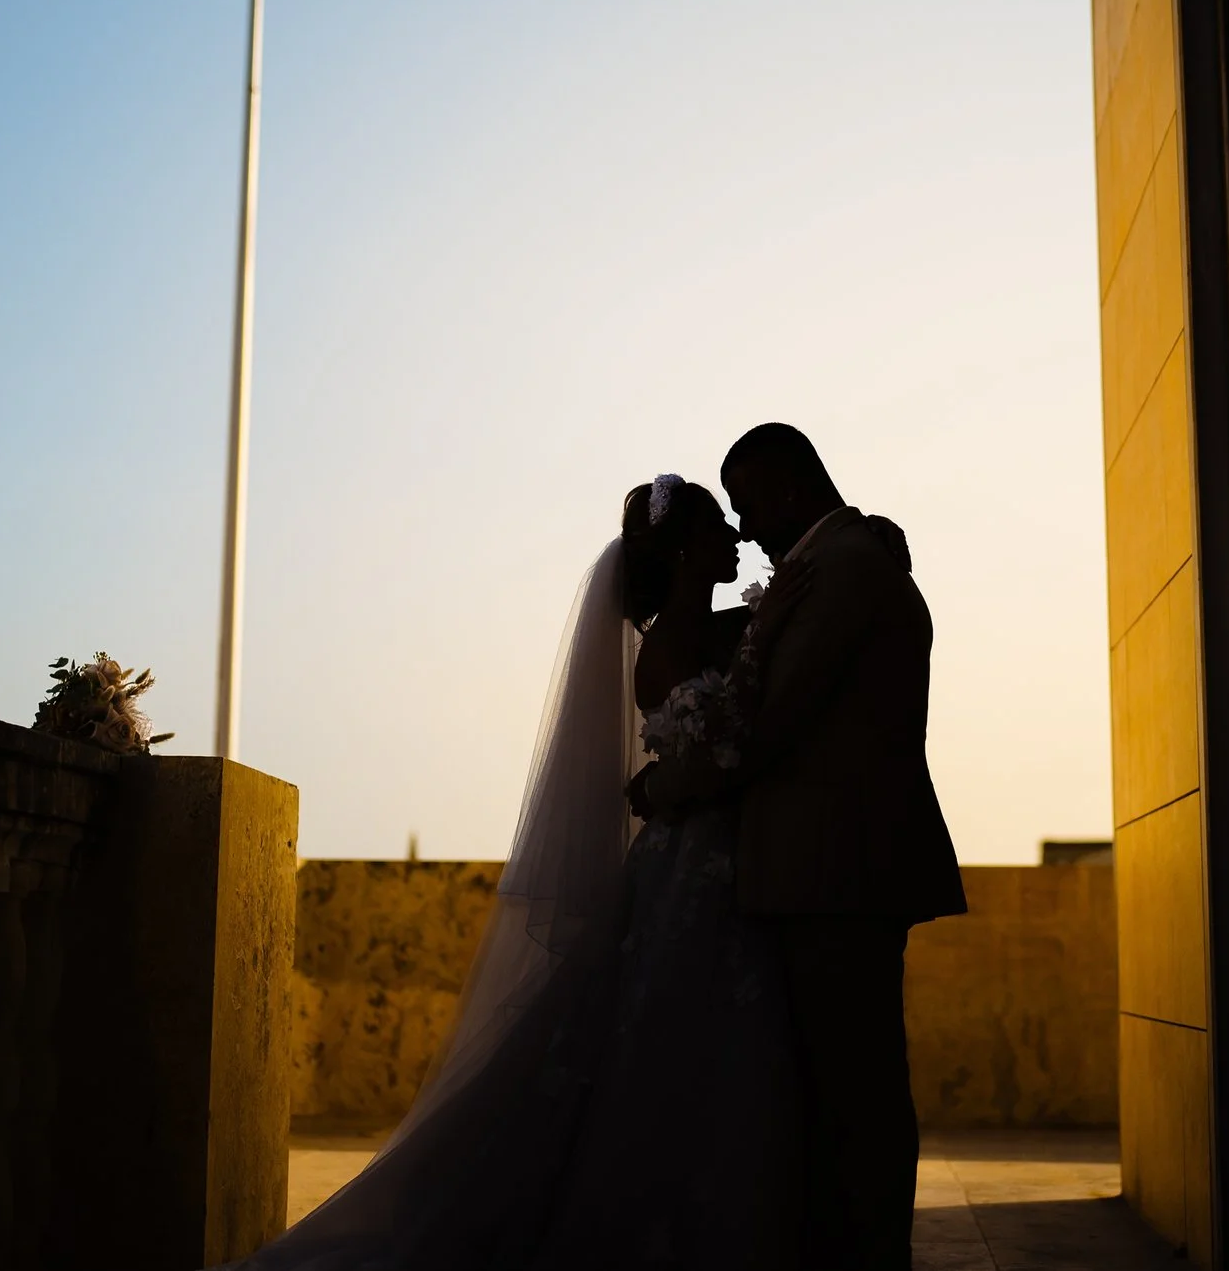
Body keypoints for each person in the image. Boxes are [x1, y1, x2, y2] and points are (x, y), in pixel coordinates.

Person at [241, 474, 813, 1271]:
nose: (737, 541)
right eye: (719, 527)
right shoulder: (667, 653)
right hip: (691, 870)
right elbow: (719, 750)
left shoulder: (730, 628)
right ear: (685, 552)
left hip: (726, 863)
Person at [635, 424, 966, 1271]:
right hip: (815, 870)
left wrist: (658, 790)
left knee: (854, 1088)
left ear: (786, 490)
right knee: (831, 1088)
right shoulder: (839, 562)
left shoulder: (844, 569)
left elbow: (768, 726)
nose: (744, 532)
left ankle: (867, 1251)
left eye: (747, 507)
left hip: (837, 870)